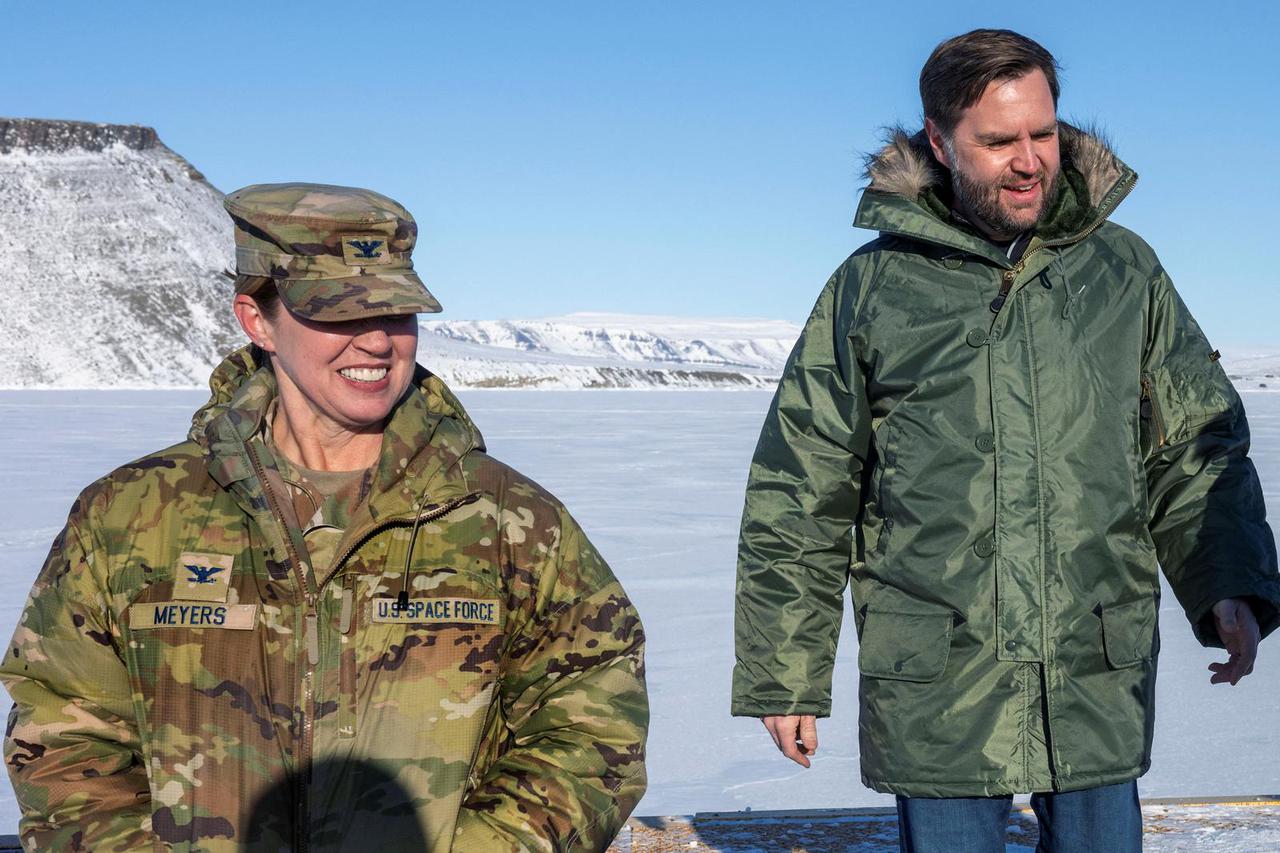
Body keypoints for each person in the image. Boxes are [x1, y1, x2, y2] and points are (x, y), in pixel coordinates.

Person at [731, 29, 1280, 852]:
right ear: (938, 141)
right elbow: (802, 489)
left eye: (1043, 133)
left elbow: (1193, 446)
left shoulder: (1124, 273)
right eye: (998, 141)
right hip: (939, 676)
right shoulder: (872, 288)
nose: (1029, 160)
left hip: (1095, 661)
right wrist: (787, 669)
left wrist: (1227, 578)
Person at [2, 183, 648, 852]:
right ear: (256, 319)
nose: (375, 341)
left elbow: (592, 725)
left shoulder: (511, 523)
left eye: (397, 312)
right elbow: (63, 735)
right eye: (337, 314)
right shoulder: (131, 516)